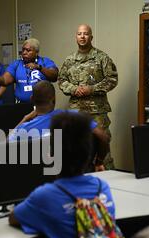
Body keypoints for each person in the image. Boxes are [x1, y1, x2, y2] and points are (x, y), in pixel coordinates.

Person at [9, 111, 116, 238]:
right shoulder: (102, 187)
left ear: (51, 154)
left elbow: (14, 218)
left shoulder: (45, 196)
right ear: (89, 153)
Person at [9, 81, 109, 172]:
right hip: (73, 174)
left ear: (32, 99)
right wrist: (99, 162)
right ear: (54, 98)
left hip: (40, 178)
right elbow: (103, 136)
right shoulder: (74, 116)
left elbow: (4, 145)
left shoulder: (25, 128)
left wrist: (25, 119)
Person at [58, 24, 118, 169]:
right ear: (76, 37)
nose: (82, 37)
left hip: (96, 111)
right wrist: (73, 89)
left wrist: (92, 89)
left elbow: (112, 79)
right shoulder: (69, 60)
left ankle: (110, 179)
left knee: (103, 146)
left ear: (91, 36)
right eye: (79, 34)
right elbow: (61, 80)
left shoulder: (102, 58)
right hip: (76, 111)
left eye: (85, 34)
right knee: (77, 147)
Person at [0, 38, 58, 103]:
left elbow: (54, 76)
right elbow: (4, 81)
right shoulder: (16, 64)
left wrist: (39, 67)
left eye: (28, 50)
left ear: (36, 52)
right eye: (23, 50)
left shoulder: (44, 61)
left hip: (42, 105)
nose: (24, 52)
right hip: (21, 105)